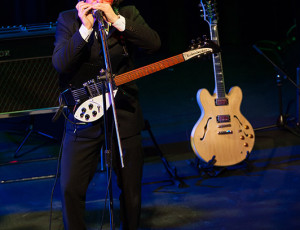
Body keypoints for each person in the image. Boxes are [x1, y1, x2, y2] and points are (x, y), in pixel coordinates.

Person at [52, 0, 161, 229]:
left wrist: (116, 20)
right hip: (83, 115)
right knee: (70, 187)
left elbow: (154, 44)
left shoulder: (128, 12)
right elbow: (60, 63)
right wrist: (85, 29)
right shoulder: (69, 19)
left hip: (123, 112)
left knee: (131, 188)